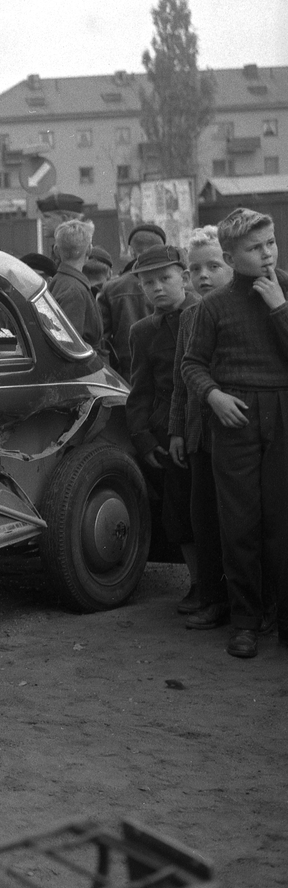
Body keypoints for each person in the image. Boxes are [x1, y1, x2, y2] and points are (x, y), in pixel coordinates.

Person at [181, 207, 288, 659]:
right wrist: (214, 396)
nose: (267, 255)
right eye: (254, 248)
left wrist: (279, 307)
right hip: (235, 419)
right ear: (230, 257)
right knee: (239, 524)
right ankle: (245, 622)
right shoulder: (213, 306)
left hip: (283, 413)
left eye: (271, 243)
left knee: (283, 523)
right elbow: (192, 364)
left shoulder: (285, 290)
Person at [124, 245, 198, 610]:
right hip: (169, 437)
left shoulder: (206, 314)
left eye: (165, 278)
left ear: (183, 277)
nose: (157, 288)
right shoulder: (143, 332)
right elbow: (140, 390)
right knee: (180, 514)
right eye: (148, 282)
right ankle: (199, 584)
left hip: (210, 428)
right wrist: (144, 438)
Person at [169, 226, 233, 631]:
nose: (203, 276)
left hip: (238, 434)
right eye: (195, 269)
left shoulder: (247, 310)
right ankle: (212, 598)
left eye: (214, 266)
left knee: (241, 524)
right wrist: (177, 430)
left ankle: (253, 603)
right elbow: (181, 379)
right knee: (204, 520)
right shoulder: (189, 316)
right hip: (199, 437)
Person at [98, 224, 167, 375]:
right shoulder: (176, 284)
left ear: (131, 251)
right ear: (162, 249)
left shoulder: (111, 288)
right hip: (168, 367)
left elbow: (101, 337)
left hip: (127, 370)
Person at [48, 219, 102, 349]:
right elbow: (69, 347)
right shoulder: (75, 290)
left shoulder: (58, 281)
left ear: (56, 250)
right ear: (89, 249)